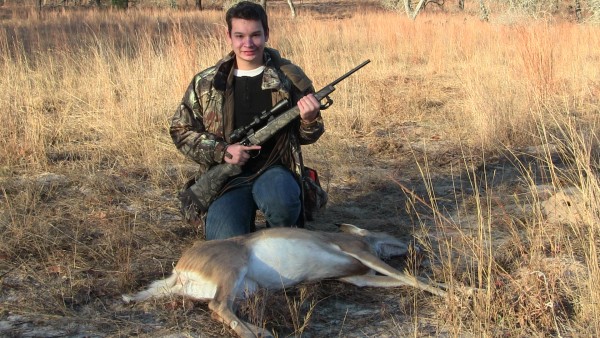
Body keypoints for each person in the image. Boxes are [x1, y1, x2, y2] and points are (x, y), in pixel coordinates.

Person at [170, 1, 325, 240]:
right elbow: (180, 129)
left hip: (276, 170)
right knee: (224, 240)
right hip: (230, 177)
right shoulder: (207, 82)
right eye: (240, 35)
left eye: (255, 35)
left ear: (266, 34)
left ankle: (282, 240)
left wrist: (309, 119)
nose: (248, 43)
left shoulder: (289, 78)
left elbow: (308, 136)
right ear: (228, 35)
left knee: (282, 204)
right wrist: (222, 151)